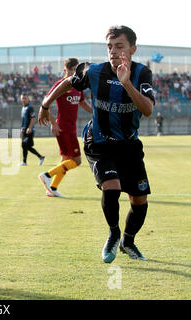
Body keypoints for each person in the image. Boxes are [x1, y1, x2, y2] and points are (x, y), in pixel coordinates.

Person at [39, 25, 154, 263]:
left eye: (119, 46)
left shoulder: (142, 74)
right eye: (109, 47)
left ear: (133, 49)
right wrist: (46, 102)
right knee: (111, 189)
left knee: (139, 202)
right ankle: (113, 234)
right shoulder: (95, 71)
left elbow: (148, 109)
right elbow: (68, 82)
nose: (113, 51)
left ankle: (128, 241)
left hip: (129, 144)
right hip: (99, 142)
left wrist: (126, 84)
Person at [38, 58, 92, 197]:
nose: (74, 72)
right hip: (63, 127)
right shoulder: (60, 85)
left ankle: (53, 189)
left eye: (76, 69)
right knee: (77, 161)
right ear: (65, 71)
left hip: (71, 127)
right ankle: (46, 175)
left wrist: (97, 112)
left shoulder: (78, 85)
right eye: (72, 70)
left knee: (65, 160)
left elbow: (83, 103)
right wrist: (53, 123)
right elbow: (46, 103)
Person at [20, 92, 45, 166]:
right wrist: (22, 129)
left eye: (25, 98)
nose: (24, 100)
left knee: (24, 145)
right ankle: (40, 157)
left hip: (29, 130)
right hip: (24, 130)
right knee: (26, 146)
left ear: (28, 99)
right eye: (22, 98)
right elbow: (23, 120)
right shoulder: (23, 107)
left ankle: (25, 162)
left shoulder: (30, 107)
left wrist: (29, 128)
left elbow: (33, 118)